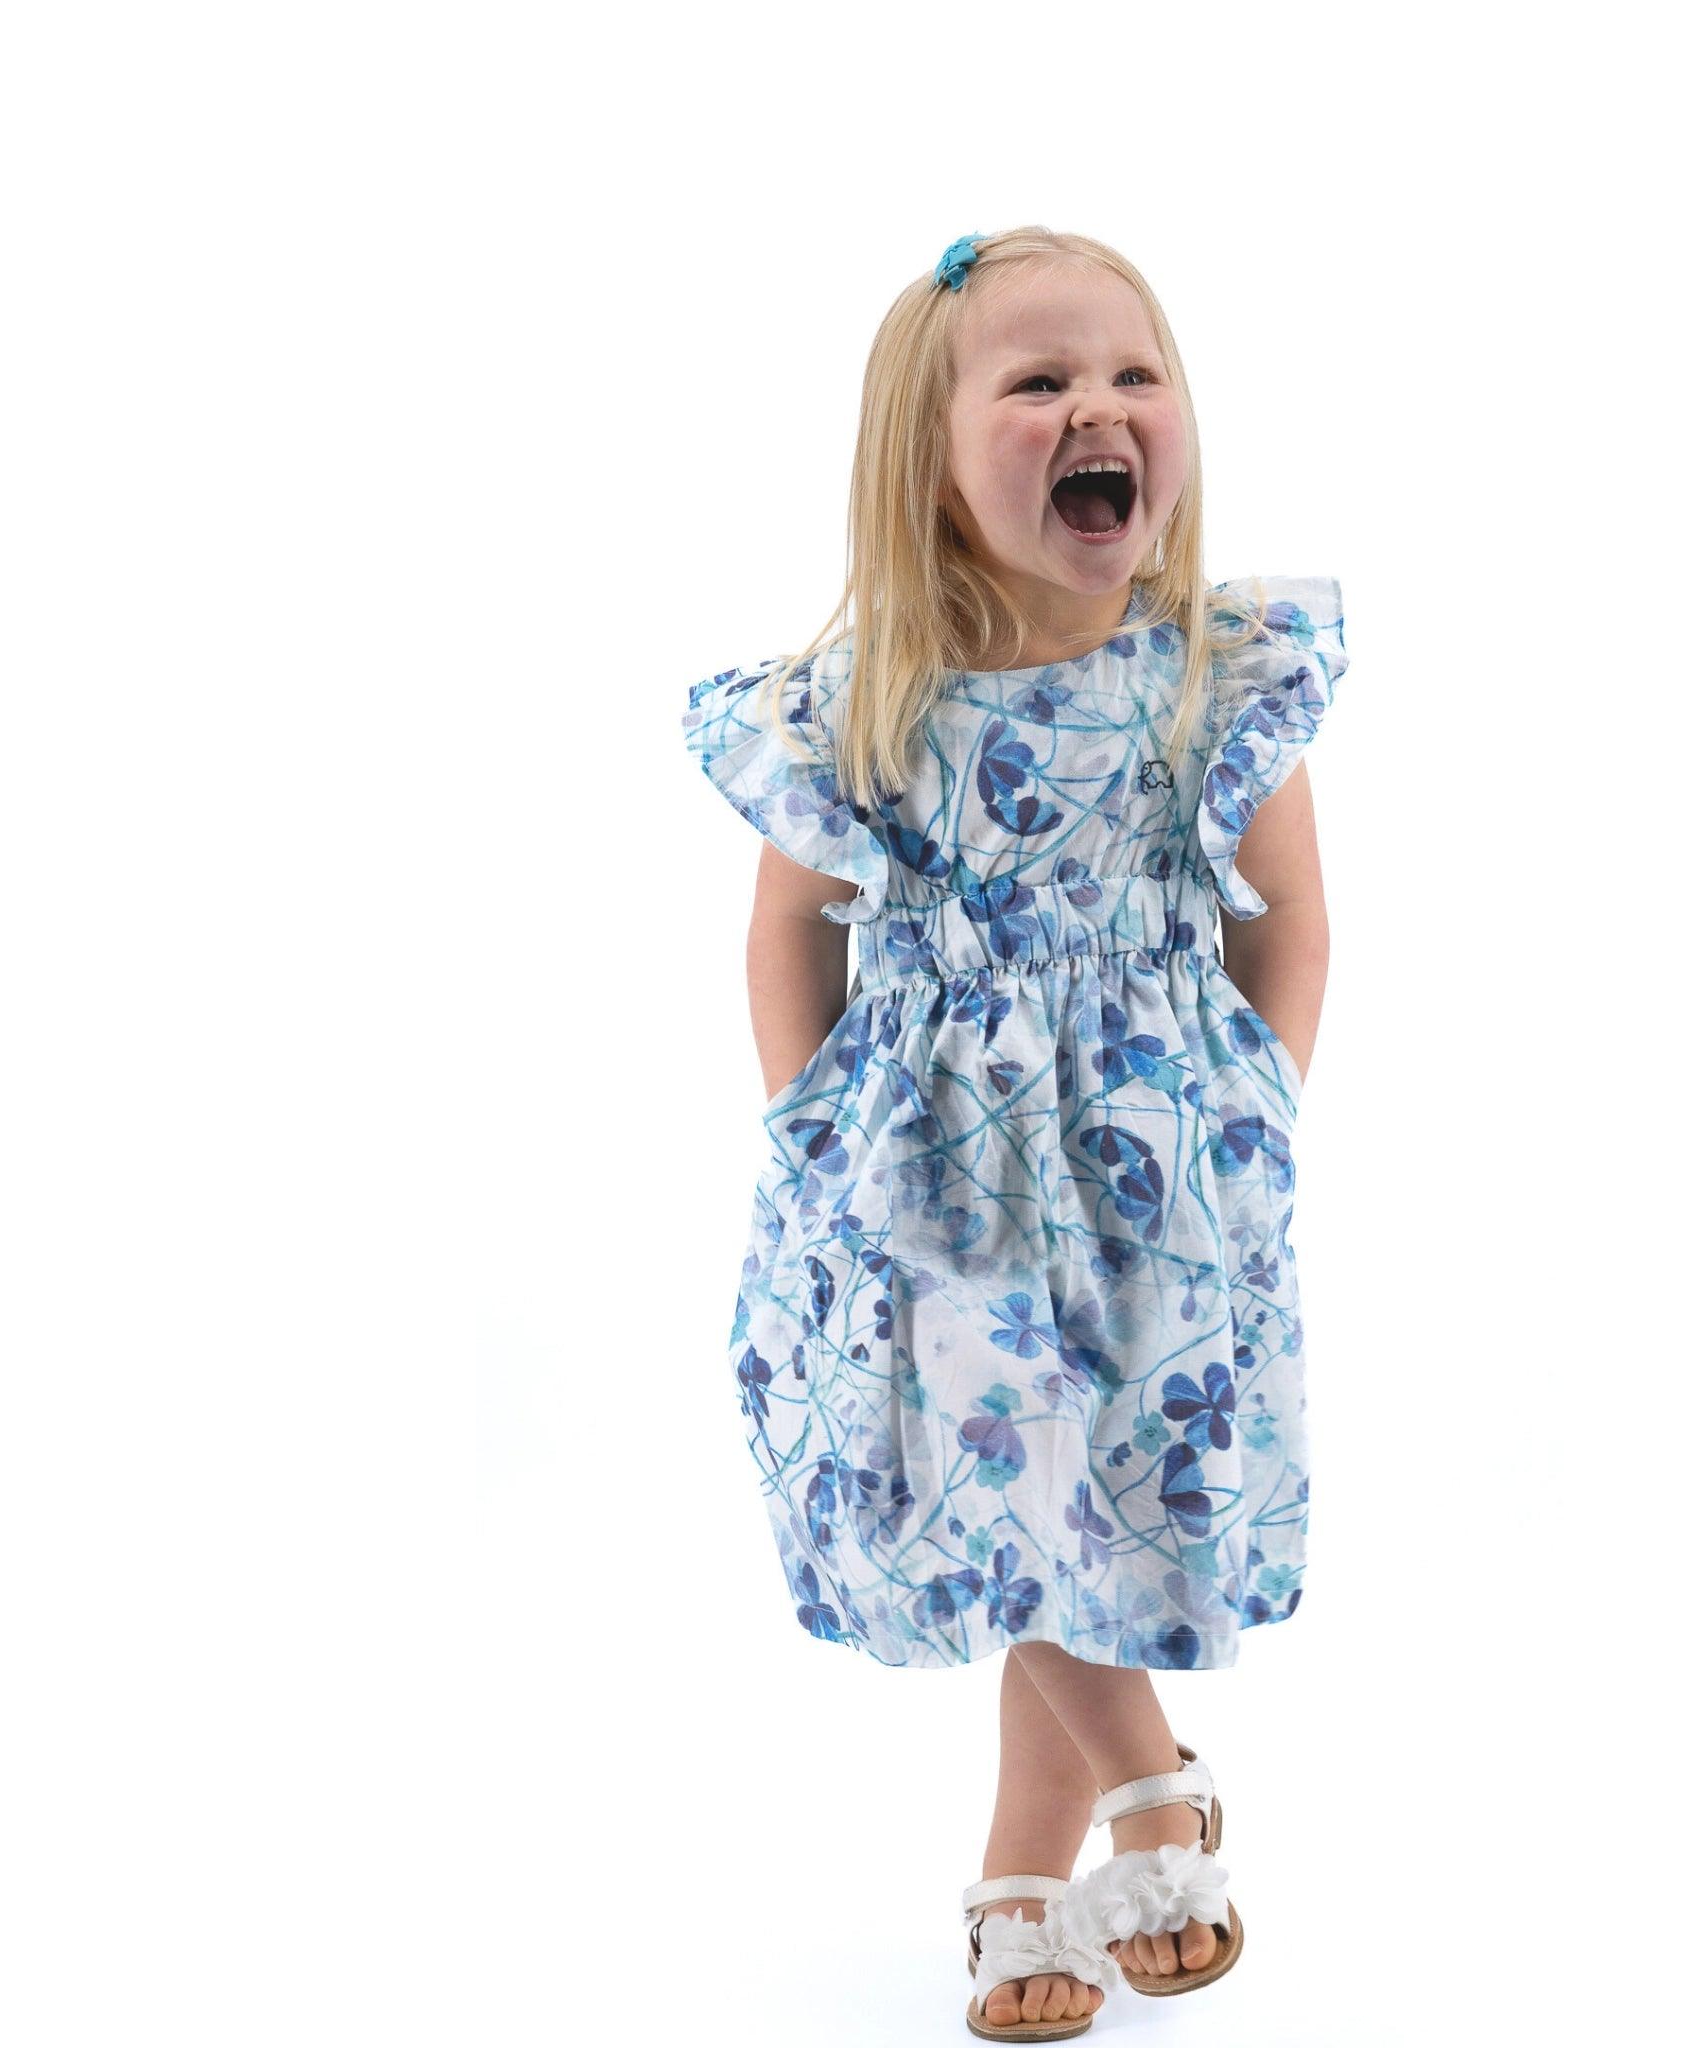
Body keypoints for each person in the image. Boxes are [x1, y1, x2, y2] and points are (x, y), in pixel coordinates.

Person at [683, 225, 1348, 2040]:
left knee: (1092, 1510)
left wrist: (1262, 1109)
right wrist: (823, 1143)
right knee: (1003, 1490)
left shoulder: (1218, 676)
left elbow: (1287, 913)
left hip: (1161, 1181)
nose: (1098, 411)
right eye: (1039, 382)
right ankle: (1155, 1779)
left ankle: (1016, 1881)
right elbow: (780, 938)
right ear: (932, 451)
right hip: (932, 1191)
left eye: (1133, 377)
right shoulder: (863, 702)